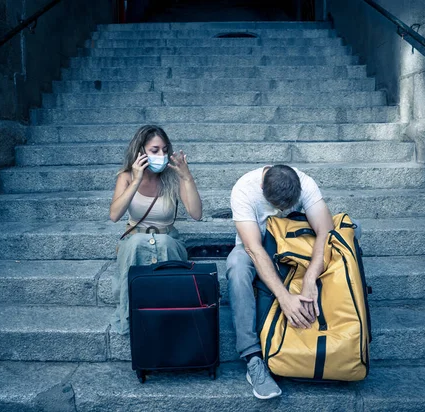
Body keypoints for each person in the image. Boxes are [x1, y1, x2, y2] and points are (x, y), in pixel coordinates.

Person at [226, 164, 334, 399]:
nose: (283, 210)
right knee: (236, 265)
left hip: (296, 248)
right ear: (263, 187)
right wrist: (284, 298)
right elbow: (253, 248)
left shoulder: (304, 182)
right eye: (277, 207)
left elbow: (326, 231)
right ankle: (252, 357)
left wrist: (310, 276)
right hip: (260, 247)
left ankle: (336, 334)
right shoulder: (244, 189)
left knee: (347, 236)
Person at [110, 125, 202, 334]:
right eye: (154, 150)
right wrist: (136, 180)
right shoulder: (126, 177)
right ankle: (131, 315)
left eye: (164, 149)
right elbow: (114, 215)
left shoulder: (173, 176)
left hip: (168, 239)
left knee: (164, 243)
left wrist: (187, 177)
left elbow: (196, 214)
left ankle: (170, 315)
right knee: (135, 244)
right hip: (134, 240)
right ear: (141, 151)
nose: (161, 155)